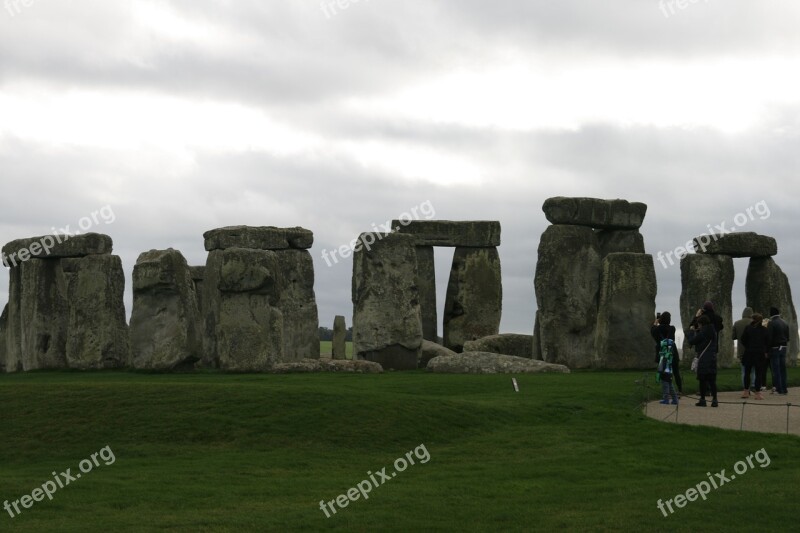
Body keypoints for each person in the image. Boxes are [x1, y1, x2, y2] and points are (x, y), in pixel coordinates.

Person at [687, 314, 718, 407]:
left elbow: (692, 341)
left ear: (701, 324)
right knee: (712, 380)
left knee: (702, 380)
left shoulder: (703, 332)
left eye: (699, 324)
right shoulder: (713, 331)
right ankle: (715, 400)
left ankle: (703, 400)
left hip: (703, 358)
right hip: (712, 358)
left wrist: (691, 332)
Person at [740, 313, 770, 400]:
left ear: (753, 320)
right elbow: (768, 342)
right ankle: (757, 393)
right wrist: (765, 350)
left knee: (747, 373)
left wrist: (748, 346)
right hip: (760, 353)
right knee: (758, 374)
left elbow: (743, 339)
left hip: (749, 352)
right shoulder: (764, 330)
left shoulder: (748, 328)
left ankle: (746, 391)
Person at [651, 312, 682, 394]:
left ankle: (667, 393)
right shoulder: (672, 328)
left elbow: (653, 331)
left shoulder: (656, 330)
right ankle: (680, 390)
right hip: (672, 352)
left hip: (662, 354)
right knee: (676, 372)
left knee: (665, 374)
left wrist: (655, 322)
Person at [766, 307, 790, 395]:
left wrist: (767, 350)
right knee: (783, 369)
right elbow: (787, 337)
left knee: (776, 369)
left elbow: (769, 338)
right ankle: (784, 388)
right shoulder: (784, 322)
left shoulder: (771, 323)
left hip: (775, 347)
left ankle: (779, 389)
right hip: (784, 346)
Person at [732, 307, 757, 391]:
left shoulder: (737, 323)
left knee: (744, 370)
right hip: (753, 349)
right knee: (753, 370)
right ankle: (753, 384)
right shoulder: (754, 323)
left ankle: (745, 388)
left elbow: (733, 336)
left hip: (742, 349)